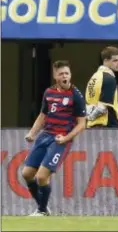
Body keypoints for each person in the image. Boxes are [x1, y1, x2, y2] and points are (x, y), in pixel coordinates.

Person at [22, 60, 86, 216]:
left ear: (70, 75)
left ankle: (42, 211)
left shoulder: (76, 96)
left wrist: (66, 138)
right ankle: (42, 208)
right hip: (45, 135)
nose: (65, 76)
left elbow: (82, 124)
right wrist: (32, 132)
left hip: (60, 139)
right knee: (26, 174)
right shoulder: (49, 92)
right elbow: (43, 115)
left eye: (67, 73)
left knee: (42, 176)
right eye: (61, 74)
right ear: (55, 76)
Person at [85, 46, 118, 128]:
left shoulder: (94, 77)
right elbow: (102, 107)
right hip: (107, 125)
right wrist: (89, 118)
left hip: (93, 125)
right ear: (105, 60)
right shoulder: (109, 79)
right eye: (115, 60)